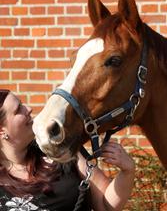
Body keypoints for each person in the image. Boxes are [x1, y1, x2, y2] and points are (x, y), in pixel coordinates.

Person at [0, 89, 135, 211]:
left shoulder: (60, 148)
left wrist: (127, 171)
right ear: (2, 131)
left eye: (22, 104)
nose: (28, 109)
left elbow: (105, 205)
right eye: (18, 110)